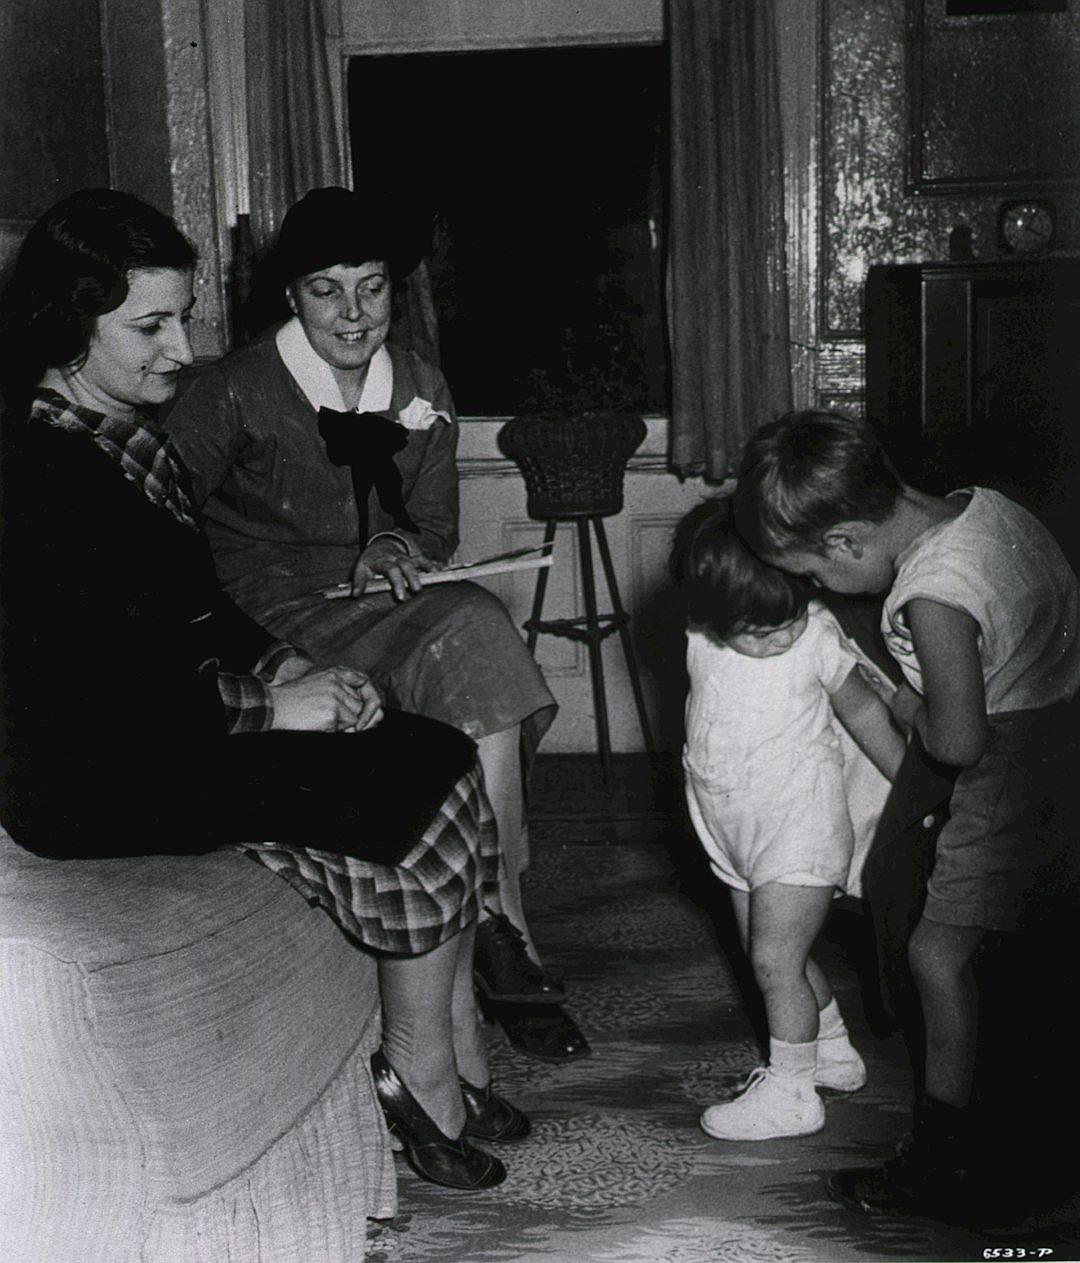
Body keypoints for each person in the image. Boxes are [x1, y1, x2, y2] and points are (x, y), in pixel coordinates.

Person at [0, 188, 531, 1193]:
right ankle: (421, 1082)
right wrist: (271, 710)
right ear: (69, 322)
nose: (183, 347)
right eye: (151, 325)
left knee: (440, 751)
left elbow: (194, 610)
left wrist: (285, 663)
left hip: (163, 734)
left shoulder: (125, 433)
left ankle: (442, 1060)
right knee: (408, 794)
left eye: (186, 316)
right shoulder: (38, 470)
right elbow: (91, 697)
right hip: (90, 781)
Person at [161, 186, 587, 1063]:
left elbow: (436, 526)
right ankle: (503, 930)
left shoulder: (422, 384)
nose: (354, 314)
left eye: (373, 287)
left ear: (398, 290)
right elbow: (160, 530)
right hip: (266, 620)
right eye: (327, 289)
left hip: (380, 610)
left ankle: (499, 913)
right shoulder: (232, 390)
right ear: (291, 295)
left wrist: (395, 542)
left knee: (472, 625)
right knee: (472, 631)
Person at [734, 410, 1080, 1216]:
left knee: (938, 954)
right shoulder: (985, 506)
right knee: (1024, 943)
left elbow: (958, 741)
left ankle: (943, 1154)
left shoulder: (932, 592)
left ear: (849, 541)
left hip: (1013, 768)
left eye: (814, 573)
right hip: (1066, 727)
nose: (819, 589)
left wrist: (899, 693)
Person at [670, 497, 904, 1141]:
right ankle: (831, 1055)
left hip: (801, 829)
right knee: (773, 956)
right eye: (758, 628)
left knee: (776, 958)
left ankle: (793, 1091)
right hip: (730, 828)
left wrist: (912, 788)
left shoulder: (818, 638)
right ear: (711, 617)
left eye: (789, 618)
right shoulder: (700, 633)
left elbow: (863, 716)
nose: (779, 637)